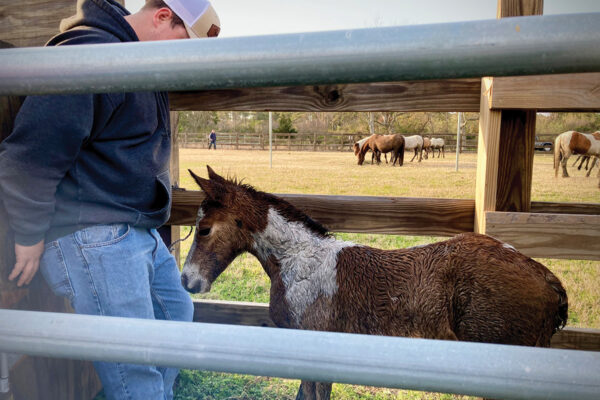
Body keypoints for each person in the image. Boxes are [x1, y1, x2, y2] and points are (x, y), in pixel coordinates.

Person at [0, 0, 220, 399]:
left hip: (134, 227)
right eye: (183, 43)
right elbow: (29, 155)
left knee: (177, 318)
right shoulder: (91, 56)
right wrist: (30, 232)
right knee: (132, 364)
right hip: (94, 235)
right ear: (162, 17)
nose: (184, 61)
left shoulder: (136, 61)